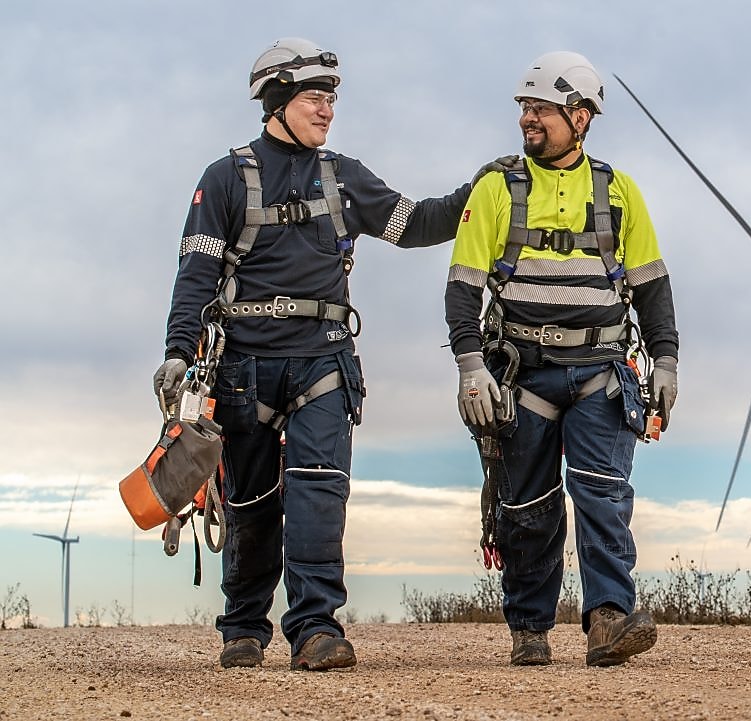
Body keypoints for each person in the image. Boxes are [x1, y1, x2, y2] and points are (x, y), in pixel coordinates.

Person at [153, 37, 514, 671]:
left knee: (320, 493)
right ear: (277, 98)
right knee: (249, 500)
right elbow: (195, 277)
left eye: (331, 98)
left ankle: (317, 628)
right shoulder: (224, 179)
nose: (327, 110)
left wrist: (476, 191)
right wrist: (179, 352)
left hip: (323, 362)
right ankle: (243, 626)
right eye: (315, 97)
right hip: (242, 369)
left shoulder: (344, 176)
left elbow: (415, 224)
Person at [444, 51, 679, 667]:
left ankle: (609, 619)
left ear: (581, 116)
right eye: (525, 108)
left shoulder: (619, 191)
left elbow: (652, 286)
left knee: (603, 495)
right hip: (522, 376)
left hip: (601, 371)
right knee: (526, 506)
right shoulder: (495, 188)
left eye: (542, 109)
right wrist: (471, 366)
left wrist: (667, 361)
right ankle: (529, 627)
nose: (529, 119)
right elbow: (463, 287)